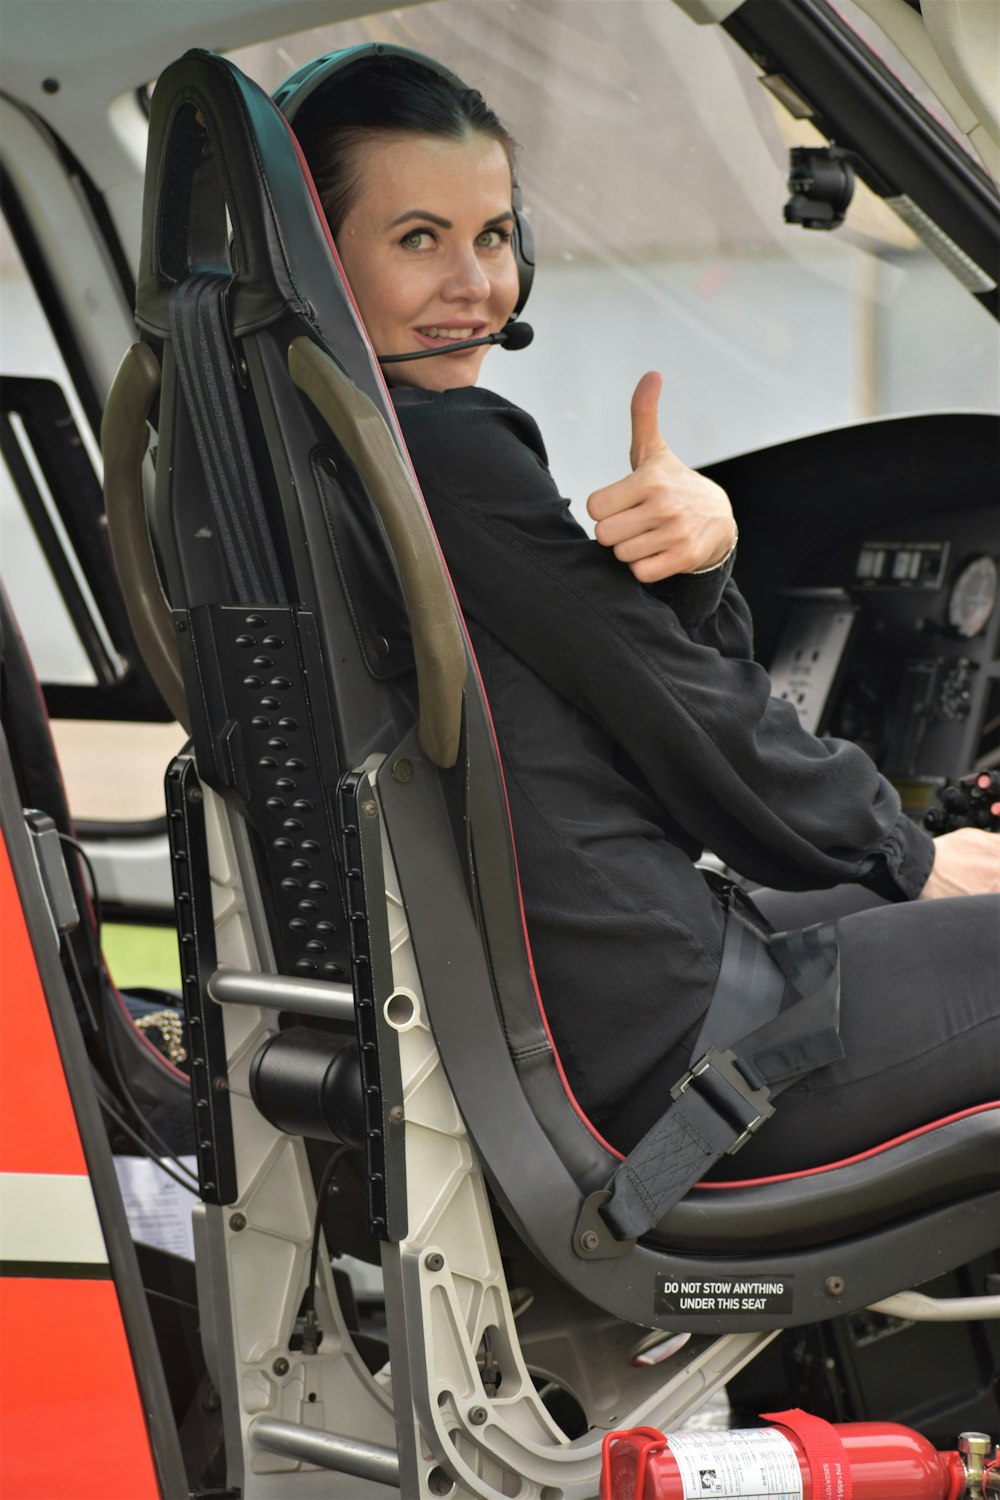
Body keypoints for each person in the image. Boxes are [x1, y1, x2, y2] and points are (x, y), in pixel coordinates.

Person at [293, 54, 999, 1178]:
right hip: (671, 1058)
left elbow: (625, 705)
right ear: (317, 257)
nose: (475, 285)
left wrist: (699, 561)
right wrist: (908, 854)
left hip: (573, 1006)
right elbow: (681, 715)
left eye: (491, 236)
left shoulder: (293, 454)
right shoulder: (437, 452)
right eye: (417, 238)